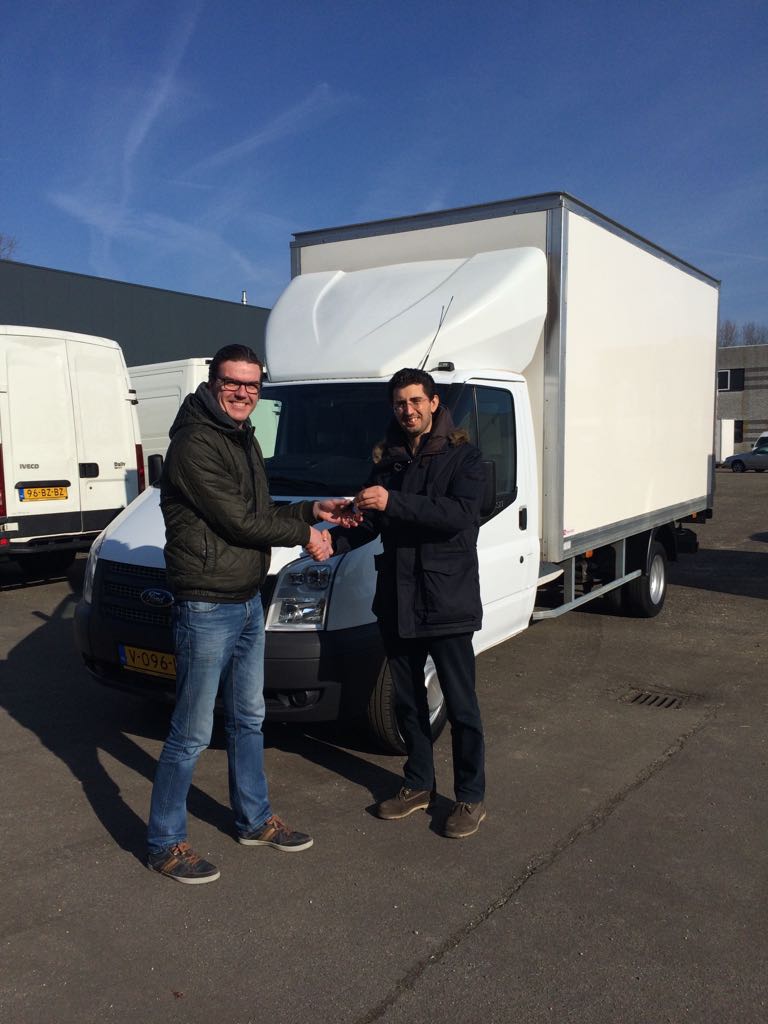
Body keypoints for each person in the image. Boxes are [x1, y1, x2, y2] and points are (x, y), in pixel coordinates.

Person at [147, 344, 353, 883]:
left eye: (252, 385)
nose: (243, 393)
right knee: (192, 732)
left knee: (248, 718)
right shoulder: (195, 443)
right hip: (206, 604)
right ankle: (164, 843)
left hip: (245, 600)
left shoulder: (241, 437)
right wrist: (306, 535)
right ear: (212, 382)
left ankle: (254, 820)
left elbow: (257, 511)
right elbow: (238, 523)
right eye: (232, 383)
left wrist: (312, 509)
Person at [333, 367, 488, 838]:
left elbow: (460, 515)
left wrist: (392, 502)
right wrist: (332, 540)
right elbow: (372, 522)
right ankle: (419, 783)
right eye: (400, 403)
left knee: (461, 707)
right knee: (407, 702)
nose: (408, 410)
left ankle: (470, 797)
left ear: (434, 403)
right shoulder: (389, 459)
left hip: (446, 599)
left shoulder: (465, 457)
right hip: (397, 600)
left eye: (416, 400)